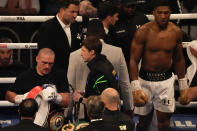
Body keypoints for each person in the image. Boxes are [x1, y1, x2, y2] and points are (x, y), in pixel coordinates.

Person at [129, 0, 190, 131]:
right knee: (143, 122)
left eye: (166, 13)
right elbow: (134, 59)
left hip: (165, 83)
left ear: (170, 13)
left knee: (164, 122)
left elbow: (179, 59)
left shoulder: (175, 32)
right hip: (145, 81)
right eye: (160, 13)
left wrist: (184, 86)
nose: (163, 16)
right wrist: (135, 87)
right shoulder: (143, 32)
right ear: (154, 13)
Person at [68, 19, 133, 120]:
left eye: (83, 51)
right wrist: (129, 108)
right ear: (103, 32)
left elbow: (71, 87)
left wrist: (68, 112)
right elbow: (125, 84)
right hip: (111, 111)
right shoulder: (116, 53)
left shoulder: (75, 56)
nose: (81, 54)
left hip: (96, 112)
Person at [5, 48, 69, 129]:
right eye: (44, 63)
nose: (47, 66)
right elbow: (8, 94)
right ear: (37, 59)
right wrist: (22, 98)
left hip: (55, 123)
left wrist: (56, 97)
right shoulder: (26, 75)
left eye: (50, 63)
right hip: (32, 125)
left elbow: (66, 101)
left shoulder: (59, 75)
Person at [37, 0, 81, 74]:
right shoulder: (47, 27)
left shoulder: (76, 25)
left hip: (74, 71)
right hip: (54, 74)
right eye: (72, 12)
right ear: (62, 10)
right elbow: (45, 54)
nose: (75, 16)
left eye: (77, 12)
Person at [111, 0, 149, 67]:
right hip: (121, 59)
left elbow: (149, 38)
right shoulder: (115, 20)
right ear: (122, 6)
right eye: (128, 6)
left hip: (140, 58)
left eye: (133, 6)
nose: (131, 9)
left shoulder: (142, 18)